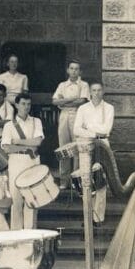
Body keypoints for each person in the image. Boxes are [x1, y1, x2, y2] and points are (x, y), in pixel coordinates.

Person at [73, 82, 114, 227]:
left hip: (102, 145)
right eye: (94, 90)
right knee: (87, 180)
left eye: (99, 90)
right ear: (89, 92)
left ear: (103, 91)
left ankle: (98, 218)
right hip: (86, 146)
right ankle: (88, 216)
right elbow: (77, 130)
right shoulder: (83, 108)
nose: (96, 93)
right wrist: (95, 132)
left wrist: (88, 127)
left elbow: (107, 129)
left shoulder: (109, 108)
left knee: (101, 180)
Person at [1, 93, 44, 230]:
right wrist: (28, 145)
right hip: (16, 163)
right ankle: (16, 236)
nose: (26, 107)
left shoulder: (36, 121)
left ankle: (30, 234)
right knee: (16, 201)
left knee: (32, 200)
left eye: (28, 104)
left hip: (32, 162)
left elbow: (37, 142)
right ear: (16, 105)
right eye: (23, 104)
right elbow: (7, 148)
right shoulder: (9, 125)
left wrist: (18, 142)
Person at [52, 60, 89, 188]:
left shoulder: (84, 85)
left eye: (77, 69)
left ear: (80, 71)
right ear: (68, 70)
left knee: (77, 147)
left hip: (78, 116)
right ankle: (64, 180)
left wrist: (64, 101)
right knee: (64, 148)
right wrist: (71, 99)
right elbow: (55, 101)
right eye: (72, 68)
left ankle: (76, 180)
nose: (74, 71)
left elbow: (82, 100)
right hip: (64, 116)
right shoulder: (62, 85)